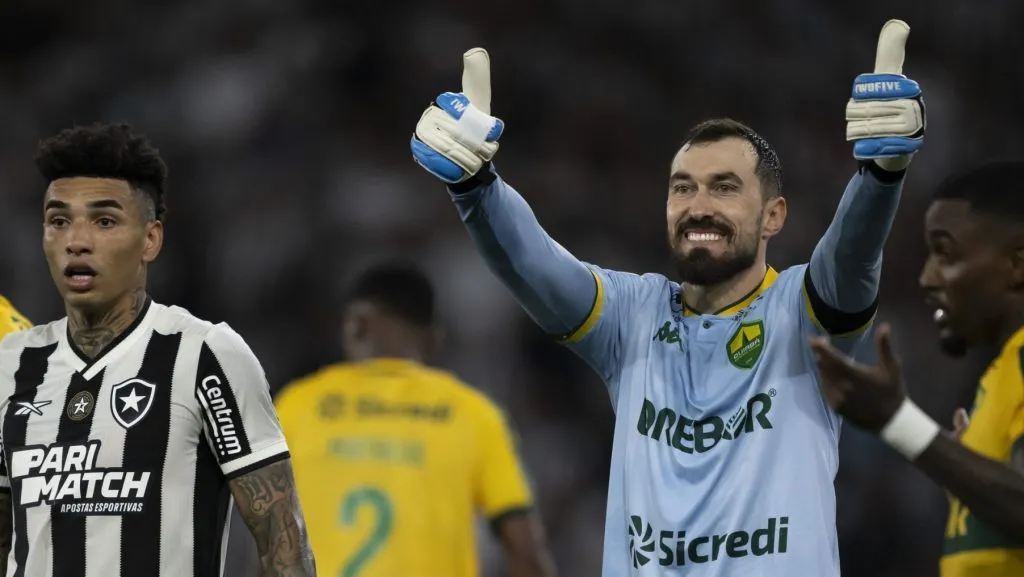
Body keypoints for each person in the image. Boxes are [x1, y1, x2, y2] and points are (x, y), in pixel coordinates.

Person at [408, 20, 925, 576]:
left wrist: (879, 175)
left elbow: (852, 257)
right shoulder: (633, 316)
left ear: (773, 215)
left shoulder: (803, 314)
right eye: (683, 188)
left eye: (725, 187)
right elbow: (535, 266)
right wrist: (476, 189)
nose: (699, 205)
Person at [0, 123, 316, 577]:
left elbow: (284, 543)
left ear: (151, 239)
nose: (77, 240)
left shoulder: (205, 355)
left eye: (104, 220)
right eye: (59, 220)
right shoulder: (12, 363)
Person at [275, 262, 558, 577]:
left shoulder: (297, 406)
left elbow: (266, 539)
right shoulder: (473, 415)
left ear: (354, 327)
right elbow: (524, 549)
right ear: (433, 339)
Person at [810, 160, 1024, 577]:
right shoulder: (1001, 376)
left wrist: (899, 422)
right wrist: (962, 470)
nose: (927, 277)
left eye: (946, 254)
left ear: (1017, 265)